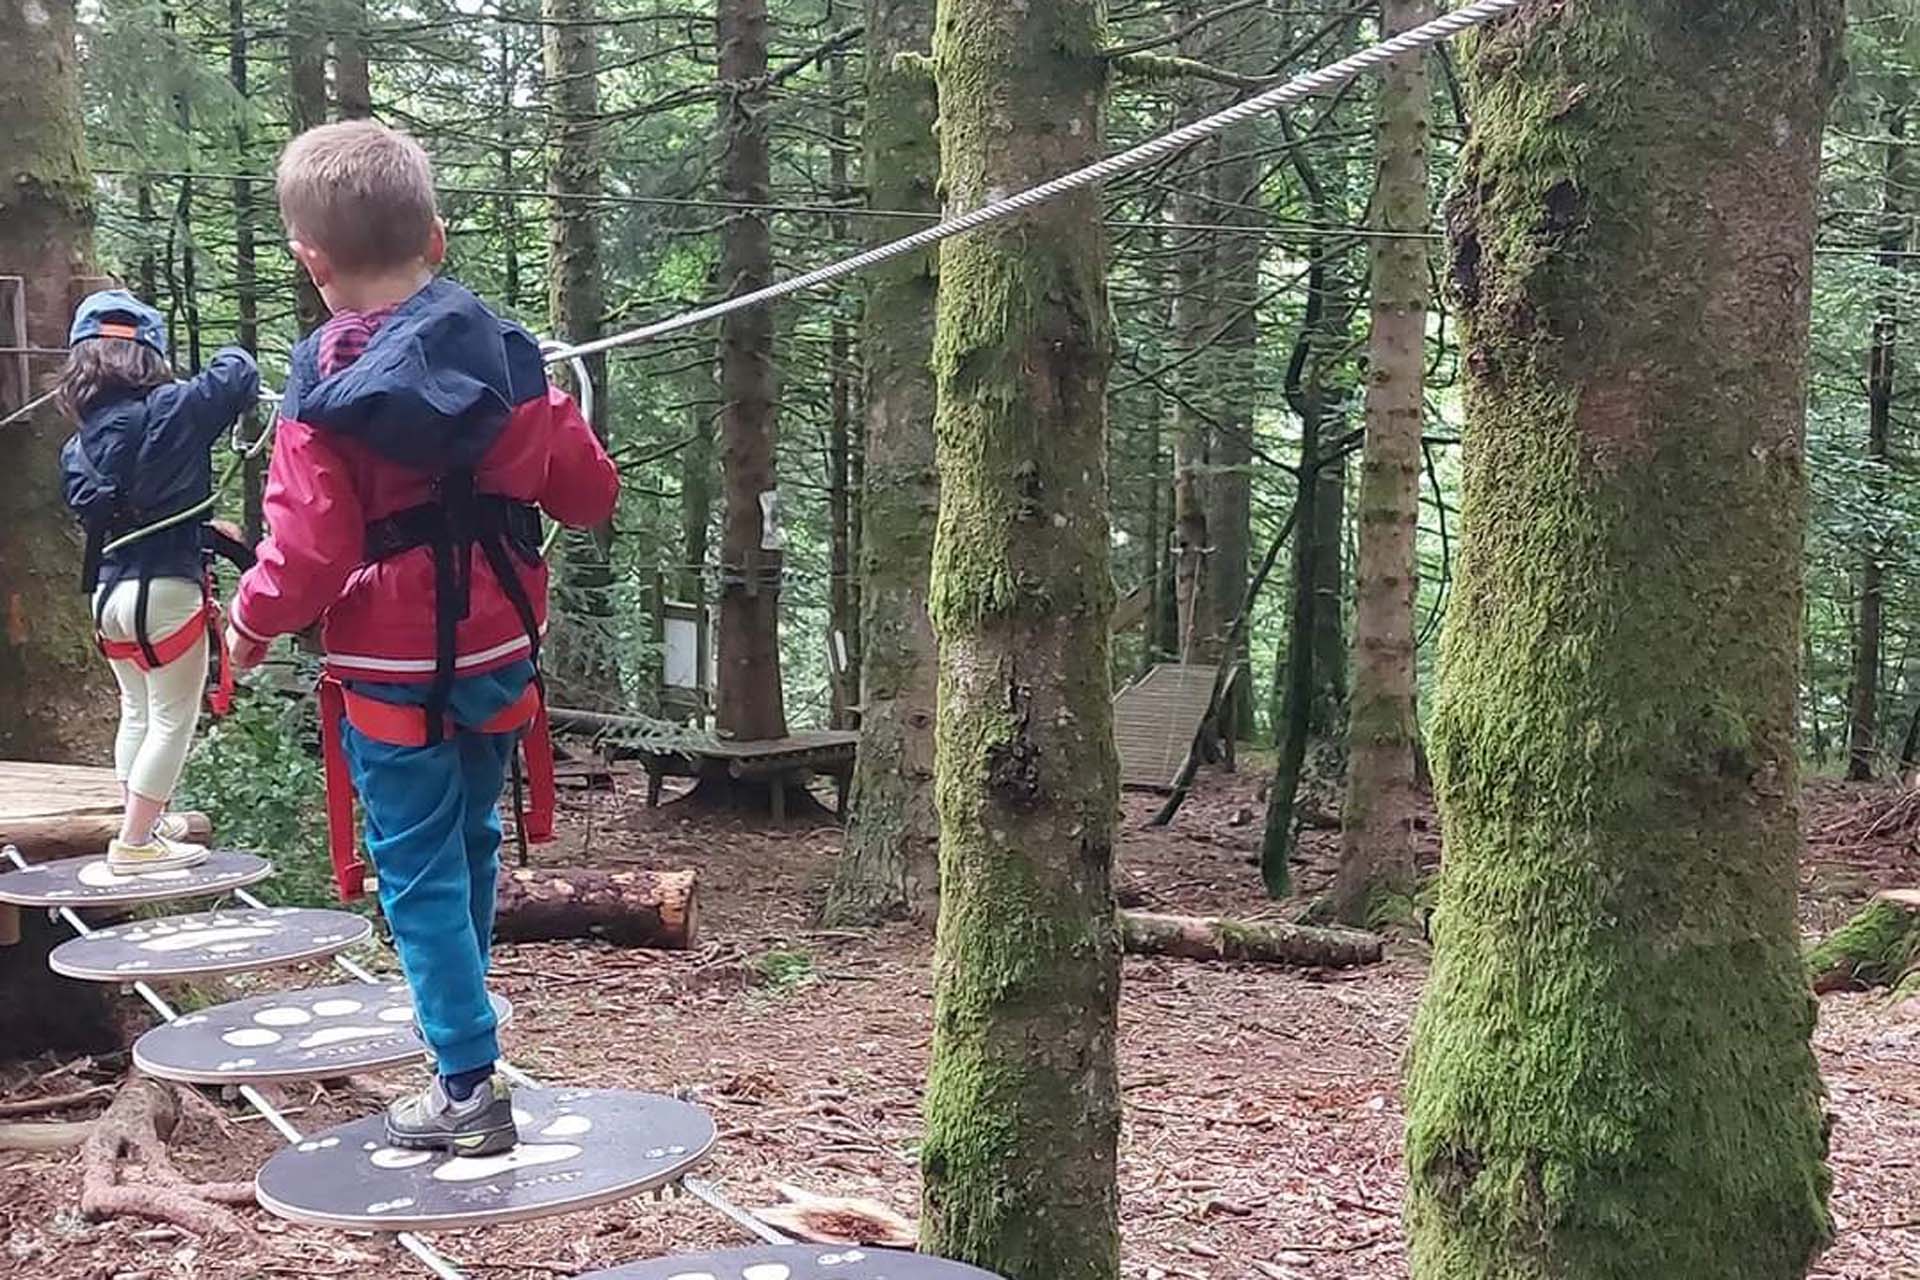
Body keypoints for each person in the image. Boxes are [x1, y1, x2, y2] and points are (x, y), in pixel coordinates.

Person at [225, 120, 618, 1156]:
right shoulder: (509, 360)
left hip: (390, 673)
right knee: (473, 838)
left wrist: (248, 620)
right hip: (499, 650)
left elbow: (307, 552)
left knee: (419, 872)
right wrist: (551, 414)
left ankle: (466, 1081)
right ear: (435, 240)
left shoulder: (319, 390)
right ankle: (467, 1033)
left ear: (312, 259)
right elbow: (586, 496)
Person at [58, 290, 260, 875]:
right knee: (172, 718)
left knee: (136, 711)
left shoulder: (79, 445)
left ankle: (141, 822)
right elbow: (238, 369)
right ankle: (137, 843)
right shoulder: (176, 409)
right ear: (151, 356)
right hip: (166, 589)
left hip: (108, 595)